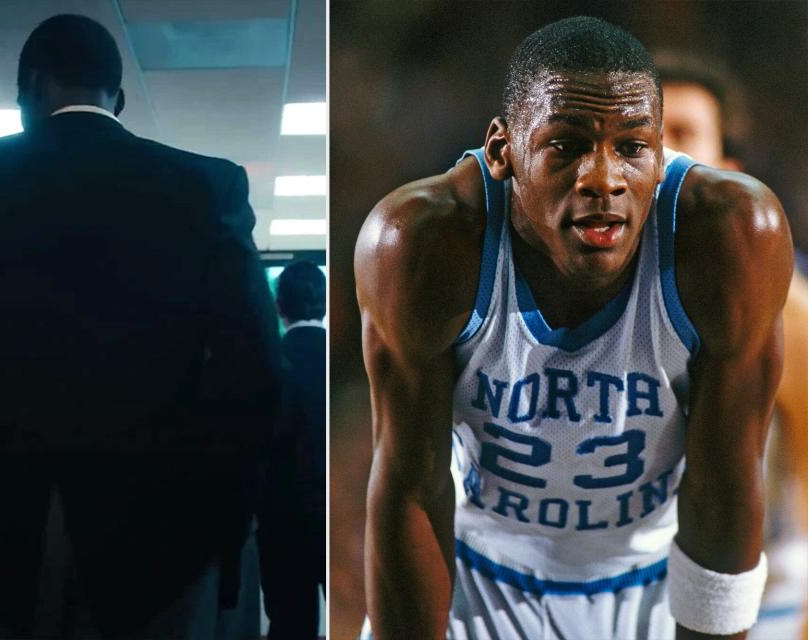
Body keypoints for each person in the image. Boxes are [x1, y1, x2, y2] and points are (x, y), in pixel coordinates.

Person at [355, 16, 792, 640]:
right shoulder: (422, 240)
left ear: (661, 153)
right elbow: (409, 483)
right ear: (503, 151)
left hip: (656, 577)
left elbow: (724, 484)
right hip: (479, 576)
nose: (603, 178)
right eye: (566, 144)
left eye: (632, 147)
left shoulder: (731, 234)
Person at [0, 13, 281, 640]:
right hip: (159, 528)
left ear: (29, 88)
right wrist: (224, 500)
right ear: (116, 99)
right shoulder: (205, 187)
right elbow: (251, 364)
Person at [656, 55, 808, 639]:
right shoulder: (577, 287)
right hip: (625, 589)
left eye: (684, 134)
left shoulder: (790, 312)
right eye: (647, 134)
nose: (664, 153)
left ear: (729, 172)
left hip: (761, 601)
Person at [258, 260, 327, 639]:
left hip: (284, 521)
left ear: (279, 308)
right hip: (337, 516)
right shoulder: (349, 359)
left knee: (290, 625)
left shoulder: (270, 366)